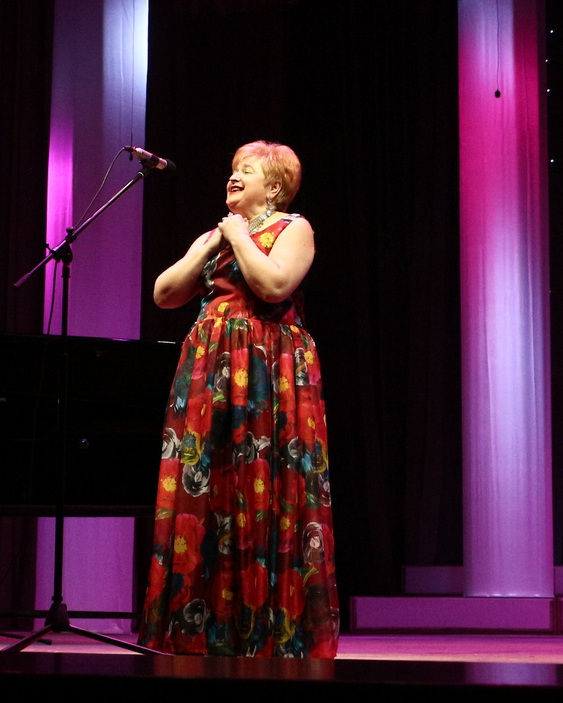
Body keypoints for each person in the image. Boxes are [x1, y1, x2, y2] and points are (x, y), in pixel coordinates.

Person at [140, 141, 338, 657]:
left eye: (245, 171)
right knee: (205, 483)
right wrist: (210, 245)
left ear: (273, 187)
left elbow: (274, 285)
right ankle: (200, 630)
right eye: (232, 169)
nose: (233, 177)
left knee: (261, 483)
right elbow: (164, 294)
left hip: (268, 369)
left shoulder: (294, 228)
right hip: (210, 368)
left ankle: (267, 631)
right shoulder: (216, 236)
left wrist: (239, 237)